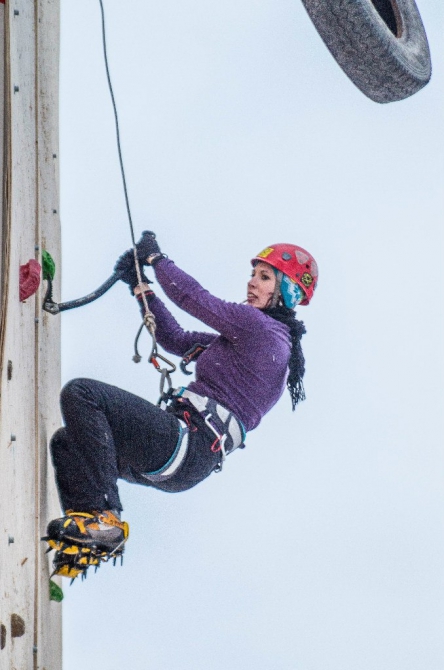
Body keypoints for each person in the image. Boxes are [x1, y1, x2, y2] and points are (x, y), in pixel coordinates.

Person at [43, 233, 318, 579]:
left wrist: (156, 260)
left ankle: (106, 519)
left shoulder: (261, 331)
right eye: (253, 274)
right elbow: (173, 338)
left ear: (286, 292)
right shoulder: (248, 344)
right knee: (69, 444)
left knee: (82, 394)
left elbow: (194, 299)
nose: (251, 283)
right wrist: (141, 289)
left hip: (188, 442)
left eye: (264, 277)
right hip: (185, 462)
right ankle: (84, 544)